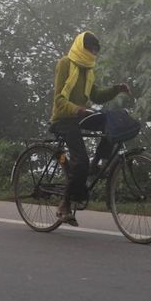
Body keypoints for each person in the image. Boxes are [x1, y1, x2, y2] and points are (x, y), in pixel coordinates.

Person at [50, 31, 130, 225]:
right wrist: (76, 109)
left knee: (108, 122)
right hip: (64, 119)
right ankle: (64, 204)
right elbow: (59, 99)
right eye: (91, 49)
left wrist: (116, 89)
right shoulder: (65, 63)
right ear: (81, 47)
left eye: (95, 50)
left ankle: (96, 164)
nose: (93, 53)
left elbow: (96, 96)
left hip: (80, 116)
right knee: (80, 162)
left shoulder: (89, 70)